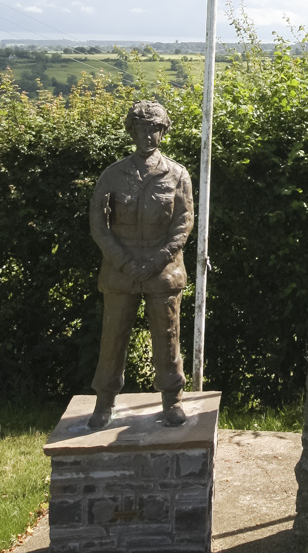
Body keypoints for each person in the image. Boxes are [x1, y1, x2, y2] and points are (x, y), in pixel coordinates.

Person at [87, 100, 194, 429]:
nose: (149, 135)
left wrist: (159, 259)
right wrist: (121, 260)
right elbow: (98, 223)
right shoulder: (113, 175)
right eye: (143, 128)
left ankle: (172, 399)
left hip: (163, 270)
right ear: (131, 131)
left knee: (167, 335)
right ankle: (104, 401)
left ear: (164, 132)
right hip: (121, 271)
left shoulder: (177, 175)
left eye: (156, 129)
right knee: (113, 336)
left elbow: (184, 222)